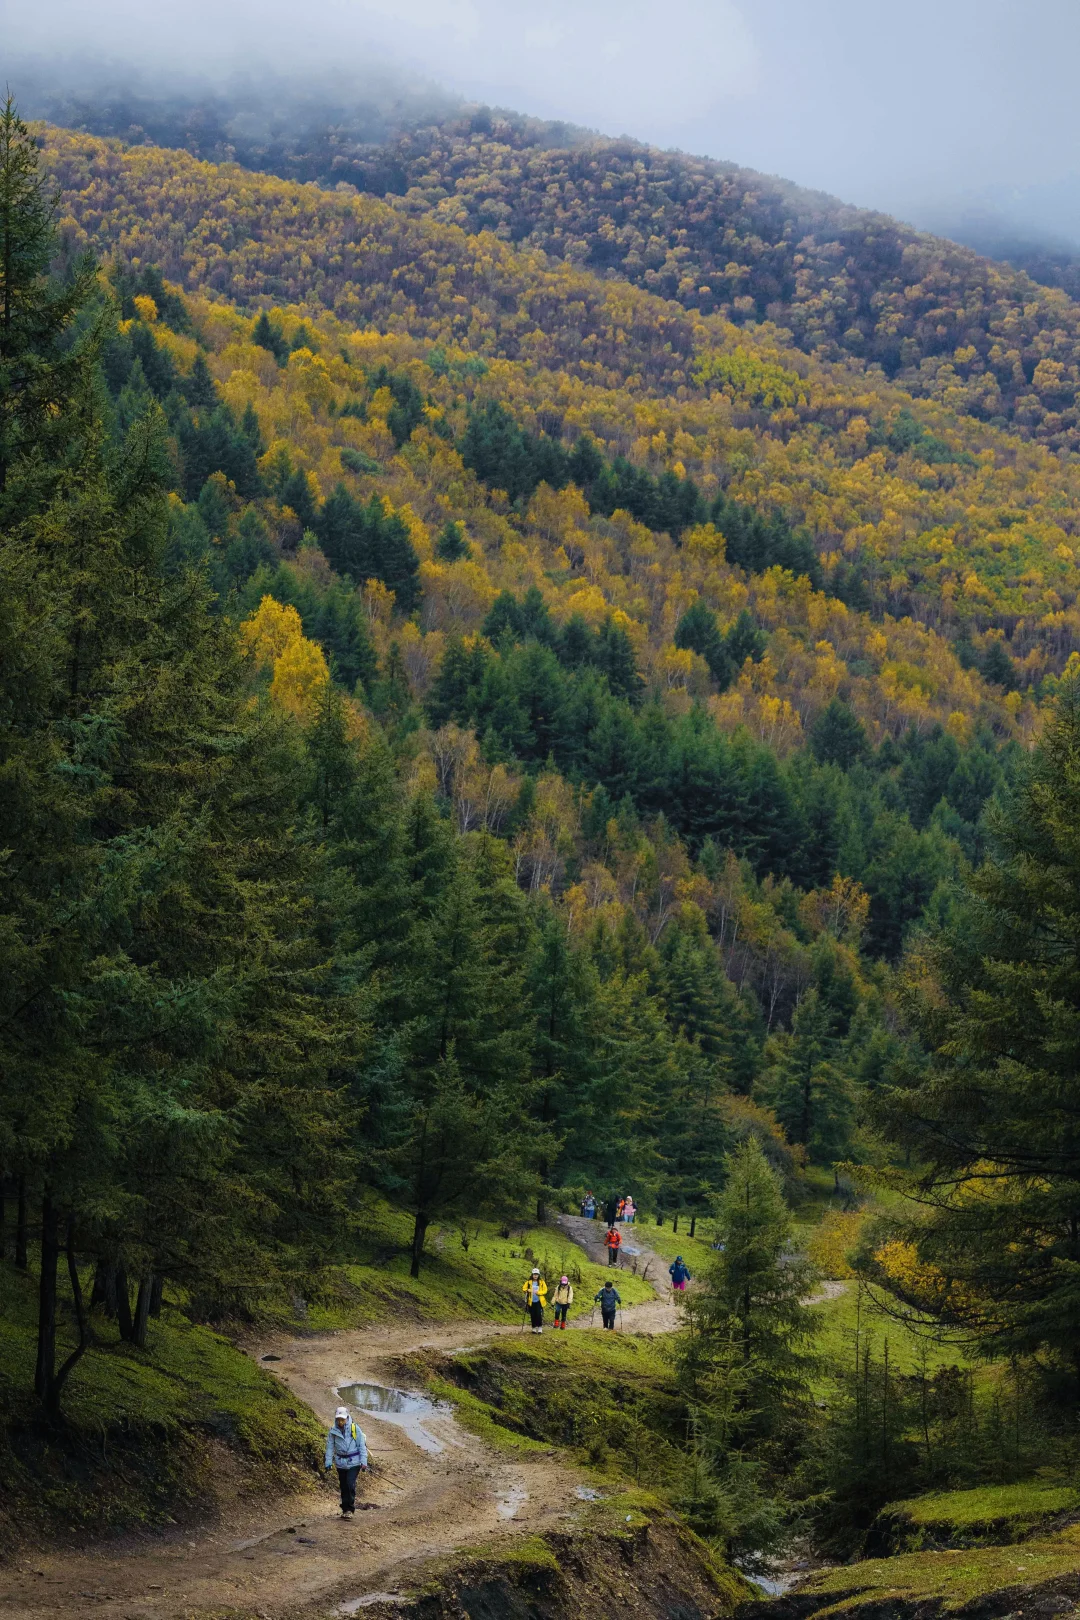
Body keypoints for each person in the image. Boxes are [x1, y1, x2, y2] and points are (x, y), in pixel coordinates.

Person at [324, 1406, 368, 1517]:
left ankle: (350, 1509)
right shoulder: (333, 1431)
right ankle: (345, 1509)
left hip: (354, 1463)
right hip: (340, 1463)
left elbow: (361, 1446)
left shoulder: (355, 1428)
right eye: (338, 1419)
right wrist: (328, 1462)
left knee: (349, 1484)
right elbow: (330, 1447)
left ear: (347, 1418)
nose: (340, 1422)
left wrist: (364, 1462)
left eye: (342, 1419)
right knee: (343, 1486)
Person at [522, 1266, 547, 1333]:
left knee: (538, 1314)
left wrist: (539, 1292)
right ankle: (533, 1327)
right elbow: (524, 1289)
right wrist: (528, 1290)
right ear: (532, 1275)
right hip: (531, 1301)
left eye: (536, 1274)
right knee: (532, 1315)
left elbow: (545, 1291)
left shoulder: (542, 1282)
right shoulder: (528, 1282)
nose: (535, 1276)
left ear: (538, 1275)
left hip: (539, 1301)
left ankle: (540, 1327)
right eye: (534, 1274)